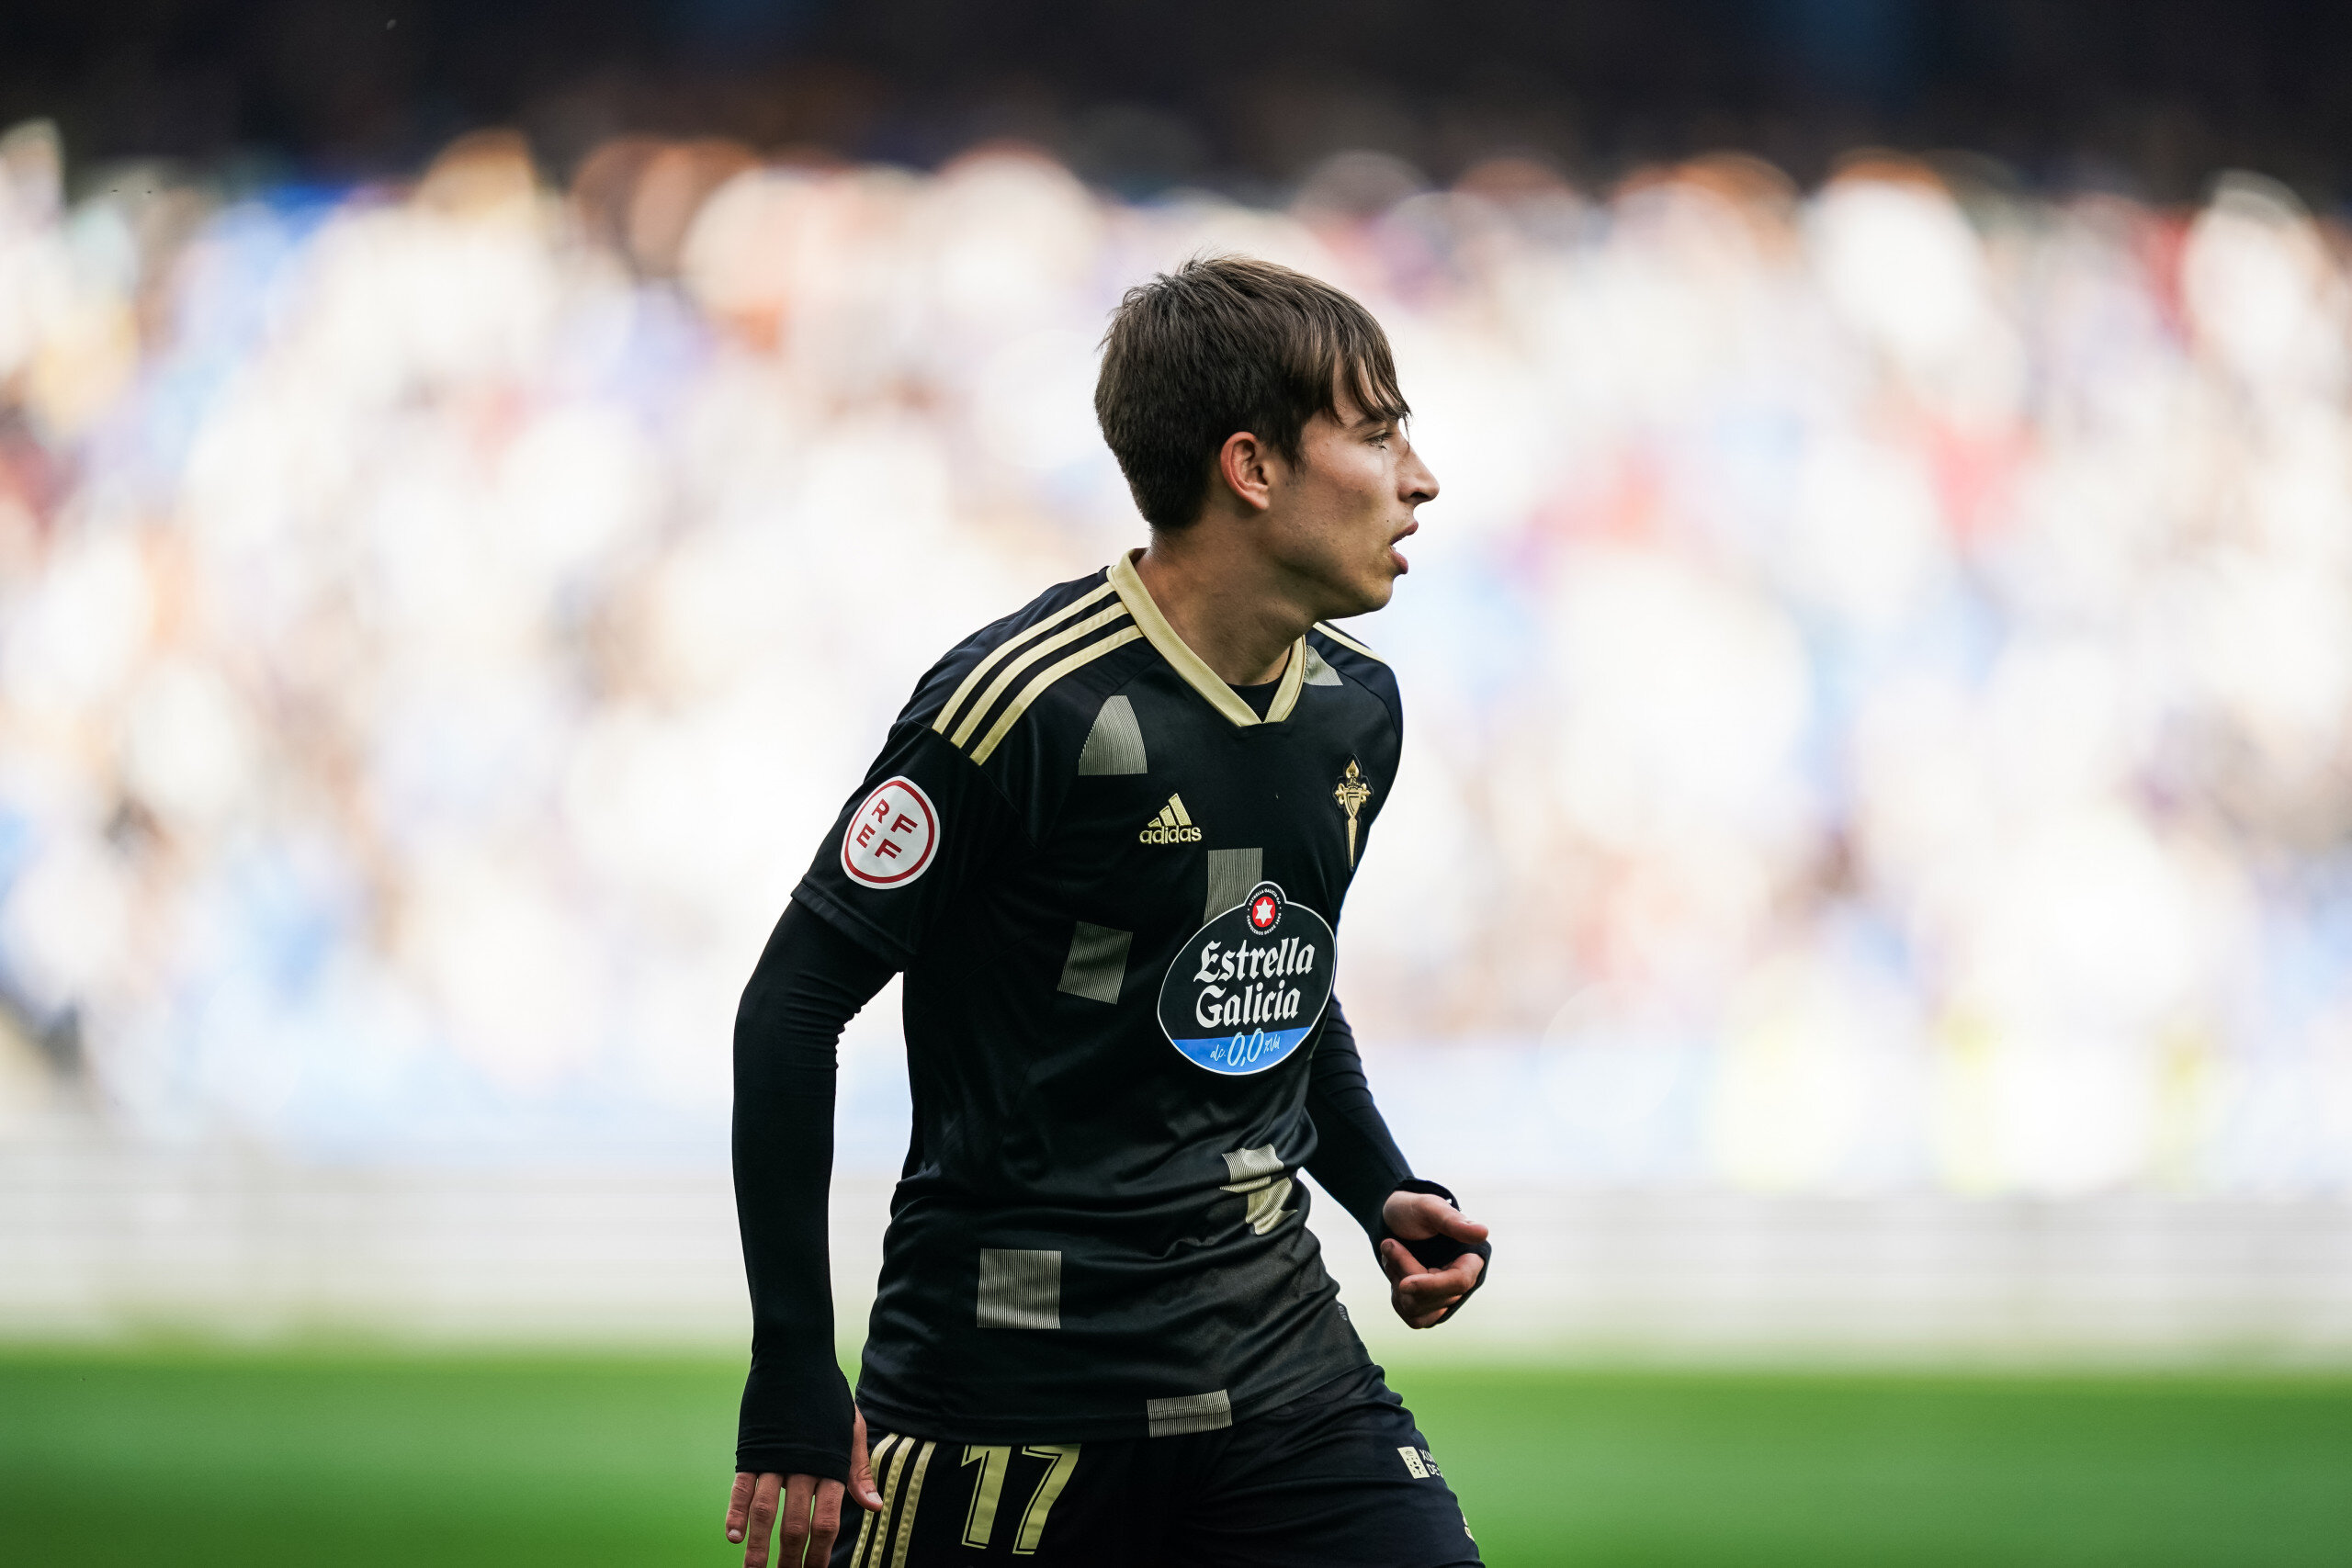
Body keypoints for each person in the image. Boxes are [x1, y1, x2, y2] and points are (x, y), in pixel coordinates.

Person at [724, 255, 1490, 1568]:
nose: (1419, 478)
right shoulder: (1022, 707)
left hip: (1283, 1375)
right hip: (1010, 1396)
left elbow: (1267, 979)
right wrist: (795, 1358)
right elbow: (790, 1009)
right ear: (1251, 468)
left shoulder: (1356, 709)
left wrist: (1378, 1188)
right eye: (1377, 435)